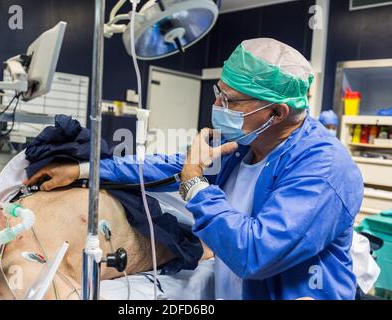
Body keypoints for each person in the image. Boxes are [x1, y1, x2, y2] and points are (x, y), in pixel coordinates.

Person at [24, 38, 364, 300]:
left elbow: (255, 253)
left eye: (230, 101)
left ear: (276, 113)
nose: (216, 106)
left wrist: (196, 187)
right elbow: (169, 166)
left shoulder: (324, 170)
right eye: (219, 93)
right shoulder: (244, 144)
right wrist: (85, 170)